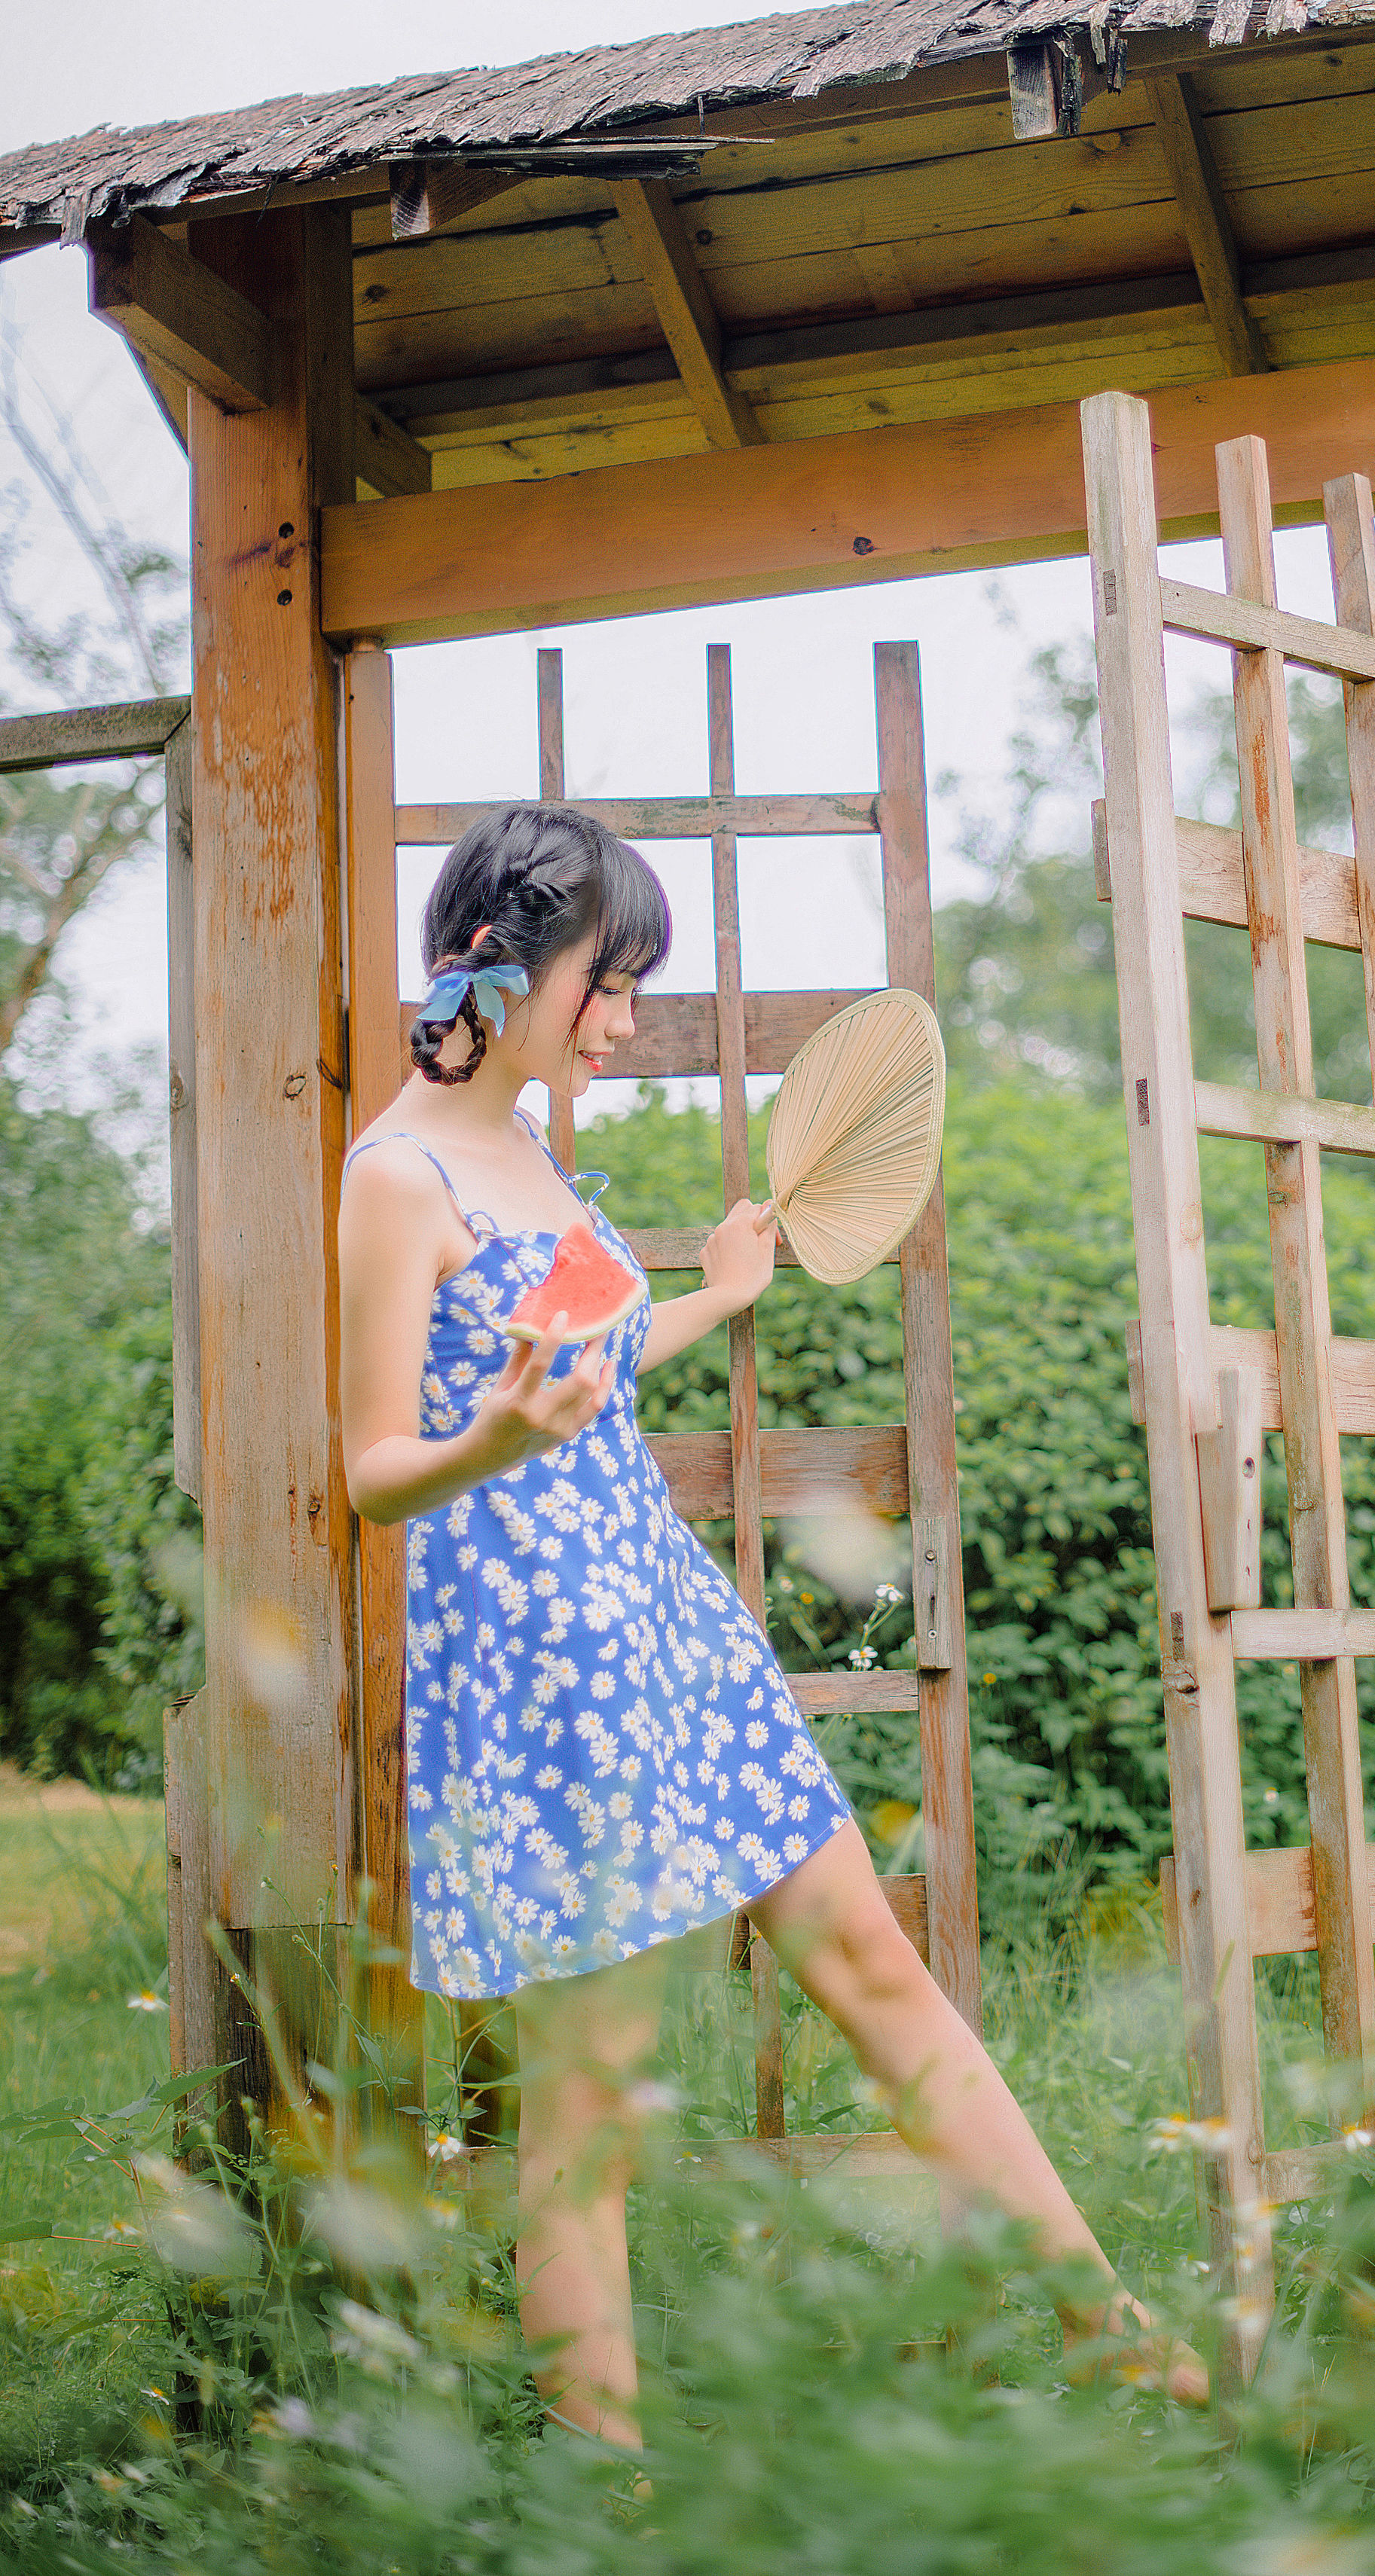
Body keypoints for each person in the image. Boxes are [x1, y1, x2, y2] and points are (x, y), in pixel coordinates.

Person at [337, 800, 1203, 2444]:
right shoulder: (398, 1175)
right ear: (509, 970)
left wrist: (712, 1298)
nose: (627, 1018)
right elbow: (378, 1469)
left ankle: (1111, 2325)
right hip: (544, 1687)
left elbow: (571, 1384)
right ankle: (615, 2503)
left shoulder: (534, 1150)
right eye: (610, 982)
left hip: (668, 1635)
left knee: (872, 1958)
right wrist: (497, 1443)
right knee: (581, 2116)